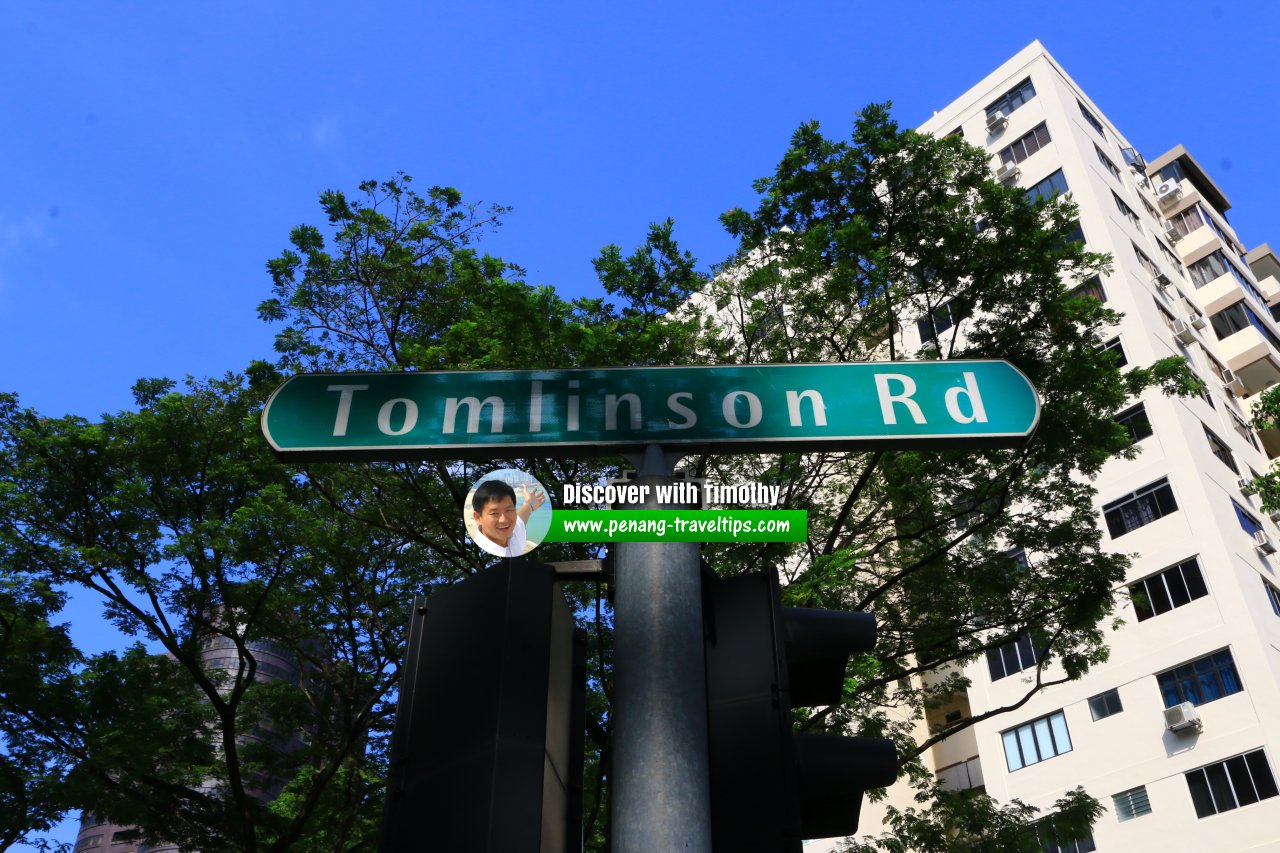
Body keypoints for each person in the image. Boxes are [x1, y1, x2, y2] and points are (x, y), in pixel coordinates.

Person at [470, 479, 546, 557]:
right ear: (478, 518)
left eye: (508, 510)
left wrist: (529, 504)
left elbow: (520, 519)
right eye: (494, 513)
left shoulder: (513, 532)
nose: (504, 520)